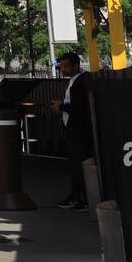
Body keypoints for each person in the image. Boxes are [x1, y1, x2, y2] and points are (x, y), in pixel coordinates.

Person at [51, 51, 92, 211]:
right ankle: (77, 196)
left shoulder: (79, 83)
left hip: (78, 130)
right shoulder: (77, 81)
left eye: (66, 66)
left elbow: (79, 107)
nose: (63, 69)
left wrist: (61, 106)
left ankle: (80, 198)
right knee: (77, 164)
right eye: (61, 66)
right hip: (75, 128)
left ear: (76, 65)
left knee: (78, 164)